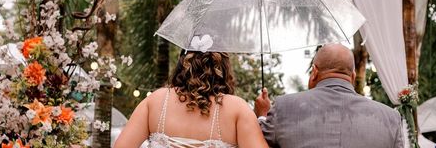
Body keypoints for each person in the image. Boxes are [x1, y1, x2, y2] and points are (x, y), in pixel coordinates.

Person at [254, 43, 404, 148]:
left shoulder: (283, 107)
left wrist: (262, 115)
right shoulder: (391, 118)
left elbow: (254, 142)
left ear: (314, 72)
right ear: (352, 76)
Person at [114, 51, 268, 148]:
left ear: (184, 62)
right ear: (223, 67)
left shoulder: (155, 101)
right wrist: (262, 116)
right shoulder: (237, 109)